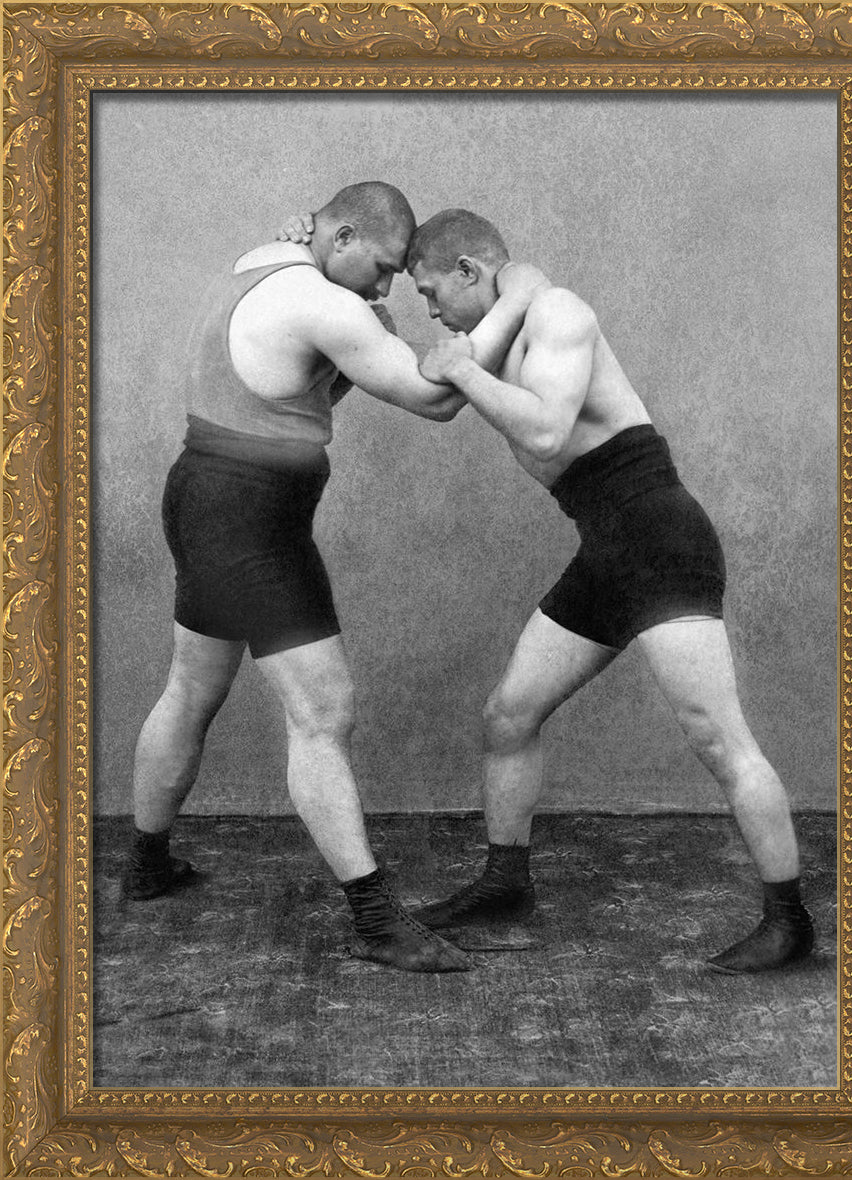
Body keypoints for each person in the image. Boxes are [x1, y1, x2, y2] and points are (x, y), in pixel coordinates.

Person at [123, 183, 540, 974]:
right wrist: (515, 299)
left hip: (206, 497)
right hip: (249, 521)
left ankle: (146, 866)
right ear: (343, 237)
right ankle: (378, 922)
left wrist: (341, 273)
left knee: (191, 688)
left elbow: (321, 345)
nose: (387, 287)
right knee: (324, 712)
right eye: (381, 268)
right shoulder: (324, 303)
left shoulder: (265, 259)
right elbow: (436, 398)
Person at [406, 208, 814, 974]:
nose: (431, 312)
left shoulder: (559, 312)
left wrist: (462, 368)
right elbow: (456, 366)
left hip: (658, 539)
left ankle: (790, 921)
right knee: (508, 716)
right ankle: (505, 884)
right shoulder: (514, 316)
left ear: (468, 270)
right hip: (606, 547)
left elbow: (546, 431)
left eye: (431, 293)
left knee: (718, 738)